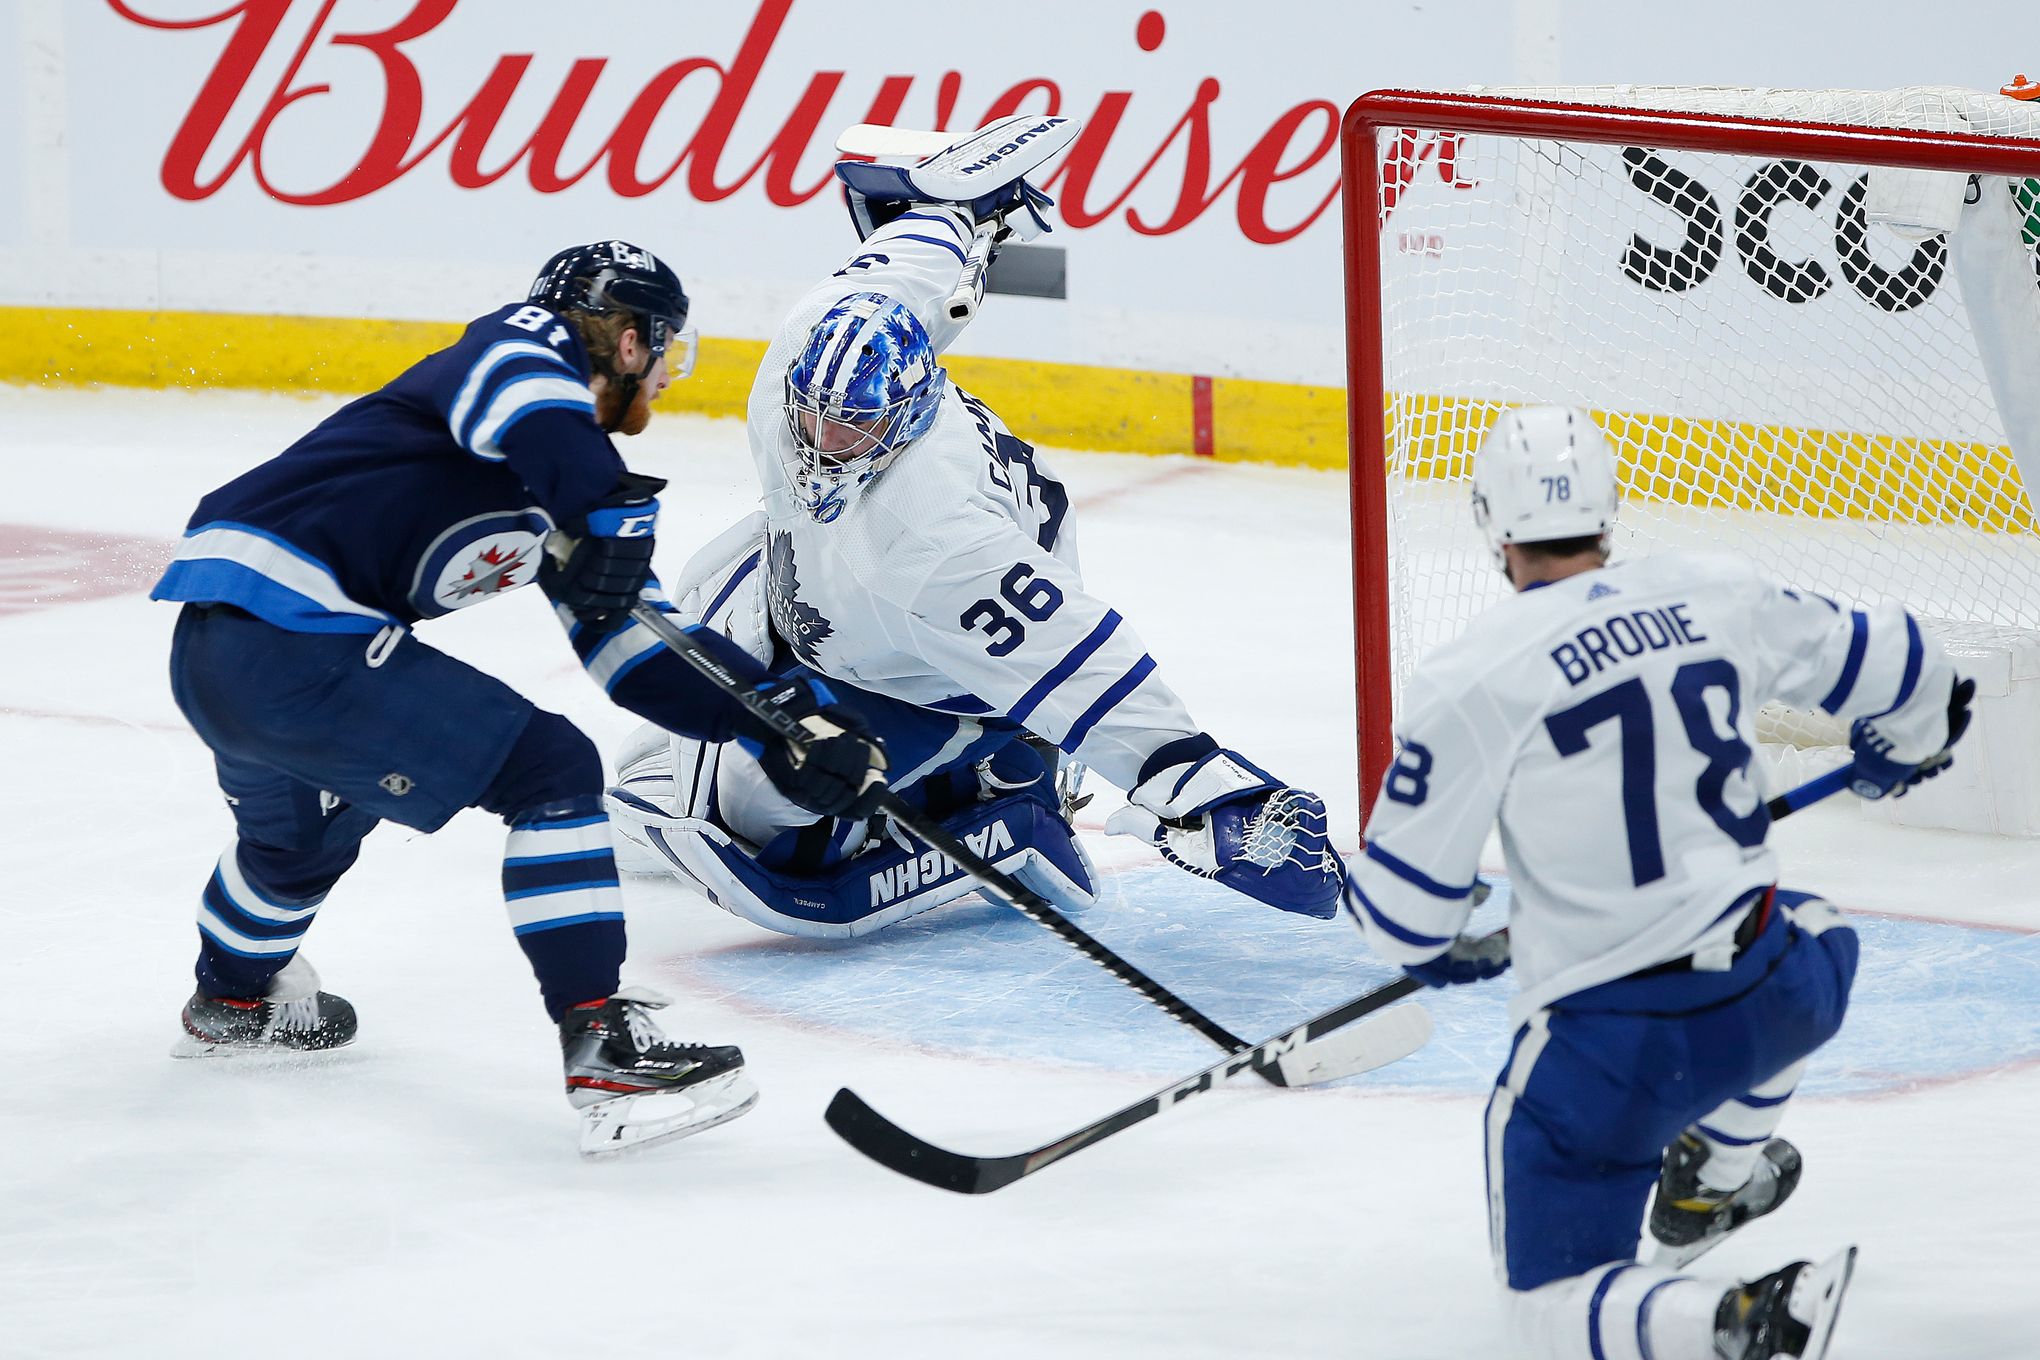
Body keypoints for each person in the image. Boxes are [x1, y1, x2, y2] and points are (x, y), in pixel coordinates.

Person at [149, 241, 888, 1156]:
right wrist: (609, 509)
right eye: (663, 354)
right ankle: (602, 1044)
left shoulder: (560, 485)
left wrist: (776, 724)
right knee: (551, 770)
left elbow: (634, 654)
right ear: (626, 341)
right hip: (292, 639)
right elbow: (529, 390)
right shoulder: (523, 350)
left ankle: (230, 998)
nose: (663, 382)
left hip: (225, 659)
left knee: (300, 844)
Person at [605, 116, 1341, 938]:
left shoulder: (937, 544)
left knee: (767, 820)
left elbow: (1085, 663)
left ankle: (1012, 779)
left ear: (910, 413)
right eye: (816, 423)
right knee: (662, 743)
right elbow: (912, 267)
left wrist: (1210, 789)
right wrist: (963, 210)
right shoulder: (814, 345)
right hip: (827, 608)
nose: (824, 447)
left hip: (931, 670)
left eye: (854, 432)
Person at [1341, 406, 1973, 1360]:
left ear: (1491, 528)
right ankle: (1713, 1180)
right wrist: (1903, 748)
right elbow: (1912, 667)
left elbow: (1399, 916)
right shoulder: (1712, 589)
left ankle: (1733, 1323)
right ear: (1608, 514)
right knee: (1822, 932)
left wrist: (1448, 954)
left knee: (1546, 1303)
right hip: (1770, 995)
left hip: (1608, 1058)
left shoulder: (1473, 674)